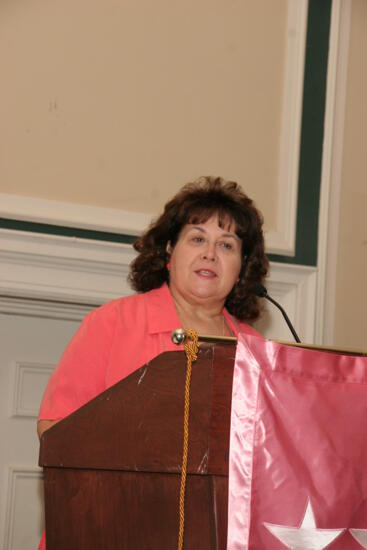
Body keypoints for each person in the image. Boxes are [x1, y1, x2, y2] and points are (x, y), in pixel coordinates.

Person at [37, 175, 268, 548]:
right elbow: (55, 431)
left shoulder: (257, 353)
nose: (210, 253)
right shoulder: (111, 324)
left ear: (241, 268)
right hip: (107, 527)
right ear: (168, 251)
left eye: (227, 245)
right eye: (197, 239)